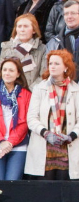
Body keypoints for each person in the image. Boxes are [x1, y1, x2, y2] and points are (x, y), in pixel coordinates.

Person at [25, 49, 79, 179]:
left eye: (56, 64)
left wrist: (71, 136)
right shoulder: (40, 88)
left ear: (66, 67)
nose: (52, 66)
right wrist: (46, 133)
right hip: (45, 146)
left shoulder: (75, 89)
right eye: (50, 63)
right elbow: (31, 118)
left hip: (67, 147)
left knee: (64, 190)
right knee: (45, 191)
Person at [0, 57, 31, 180]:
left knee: (13, 182)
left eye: (11, 70)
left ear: (18, 74)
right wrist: (1, 142)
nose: (7, 73)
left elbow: (24, 122)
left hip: (18, 144)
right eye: (4, 70)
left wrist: (9, 143)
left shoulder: (26, 94)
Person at [0, 14, 46, 87]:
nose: (22, 30)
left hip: (33, 93)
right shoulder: (6, 47)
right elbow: (1, 73)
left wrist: (28, 92)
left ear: (34, 30)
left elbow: (43, 75)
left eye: (26, 26)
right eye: (19, 26)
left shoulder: (42, 49)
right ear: (16, 29)